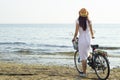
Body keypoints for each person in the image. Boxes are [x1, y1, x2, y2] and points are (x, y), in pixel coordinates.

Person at [72, 8, 94, 77]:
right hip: (88, 39)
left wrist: (74, 38)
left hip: (82, 40)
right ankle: (93, 62)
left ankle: (84, 73)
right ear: (87, 14)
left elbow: (76, 32)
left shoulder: (78, 21)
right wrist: (93, 36)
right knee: (87, 52)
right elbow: (91, 31)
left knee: (83, 58)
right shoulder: (89, 21)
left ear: (79, 14)